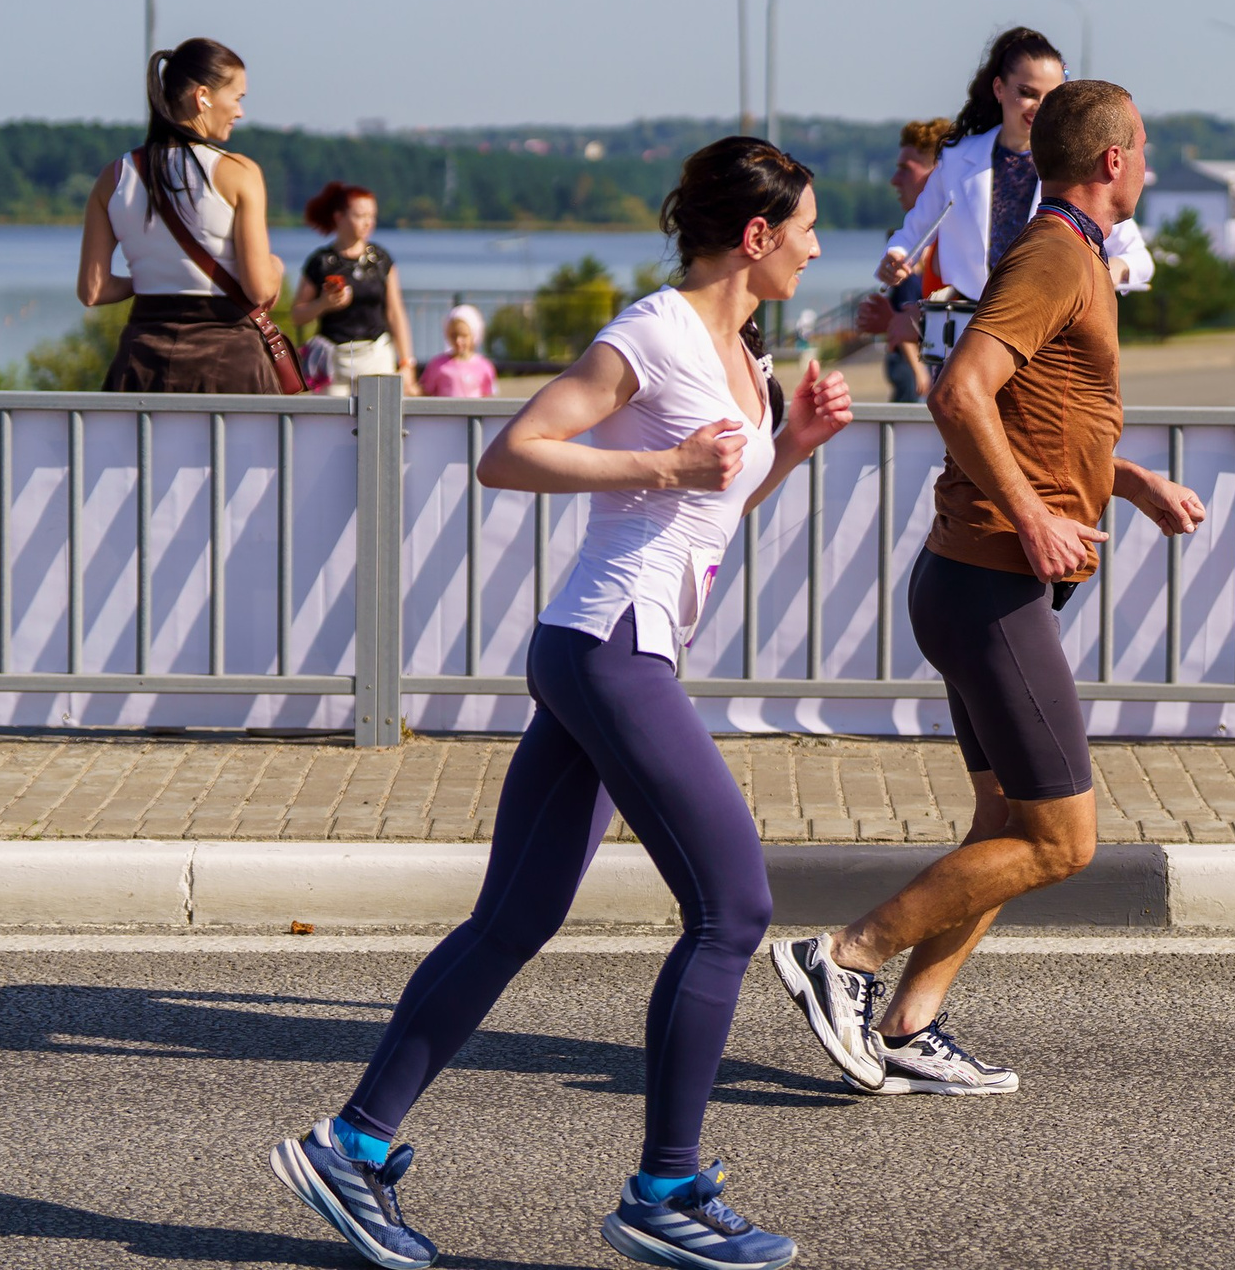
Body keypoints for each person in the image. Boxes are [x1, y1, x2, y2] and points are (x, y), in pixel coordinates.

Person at [270, 137, 856, 1270]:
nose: (817, 248)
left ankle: (352, 1145)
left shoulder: (745, 352)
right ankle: (666, 1191)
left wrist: (789, 447)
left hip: (610, 650)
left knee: (514, 918)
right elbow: (513, 452)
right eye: (807, 228)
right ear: (756, 235)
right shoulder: (655, 332)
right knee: (734, 907)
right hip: (609, 647)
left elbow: (714, 503)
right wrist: (662, 467)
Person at [772, 81, 1204, 1099]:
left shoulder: (1075, 254)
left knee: (1006, 821)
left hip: (978, 582)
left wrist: (1125, 481)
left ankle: (911, 1023)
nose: (1147, 167)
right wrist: (1034, 516)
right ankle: (842, 957)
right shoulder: (1055, 254)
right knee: (1062, 839)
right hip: (987, 586)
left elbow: (1039, 414)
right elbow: (959, 389)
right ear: (1113, 159)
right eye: (1143, 150)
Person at [878, 28, 1152, 308]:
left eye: (1051, 97)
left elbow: (1140, 259)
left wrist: (1110, 270)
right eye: (1027, 93)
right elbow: (914, 231)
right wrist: (896, 256)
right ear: (999, 88)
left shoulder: (1077, 162)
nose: (1039, 107)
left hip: (1042, 322)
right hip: (965, 322)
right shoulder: (955, 159)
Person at [77, 39, 289, 394]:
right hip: (228, 365)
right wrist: (276, 268)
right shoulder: (239, 172)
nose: (240, 112)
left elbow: (93, 290)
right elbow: (258, 289)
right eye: (237, 98)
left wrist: (150, 279)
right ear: (203, 96)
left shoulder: (112, 177)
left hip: (142, 365)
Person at [855, 118, 953, 402]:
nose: (894, 180)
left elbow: (984, 327)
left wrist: (909, 325)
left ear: (937, 174)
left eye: (906, 169)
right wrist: (896, 322)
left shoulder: (962, 244)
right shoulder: (931, 246)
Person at [298, 183, 420, 394]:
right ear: (339, 217)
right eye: (361, 215)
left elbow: (395, 313)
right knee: (332, 414)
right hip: (334, 360)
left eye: (372, 216)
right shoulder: (321, 262)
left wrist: (406, 362)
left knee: (380, 412)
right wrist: (323, 304)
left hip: (376, 356)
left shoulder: (381, 259)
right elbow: (297, 314)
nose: (368, 222)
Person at [419, 304, 497, 398]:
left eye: (464, 335)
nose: (458, 340)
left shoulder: (484, 366)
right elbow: (425, 392)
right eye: (453, 335)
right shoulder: (437, 365)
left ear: (474, 335)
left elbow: (488, 398)